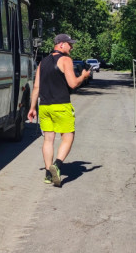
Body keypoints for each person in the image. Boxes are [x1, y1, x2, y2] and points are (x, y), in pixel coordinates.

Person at [26, 34, 91, 187]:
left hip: (44, 106)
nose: (71, 47)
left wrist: (32, 107)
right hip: (61, 105)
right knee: (68, 137)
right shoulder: (65, 60)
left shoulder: (43, 62)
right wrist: (83, 76)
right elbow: (73, 83)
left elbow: (36, 87)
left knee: (48, 140)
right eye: (70, 44)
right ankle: (57, 165)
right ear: (61, 44)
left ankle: (48, 174)